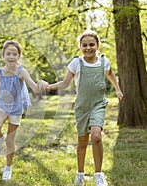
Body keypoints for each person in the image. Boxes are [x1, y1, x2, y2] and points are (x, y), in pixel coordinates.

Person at [39, 30, 123, 186]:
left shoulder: (104, 62)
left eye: (92, 44)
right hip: (82, 107)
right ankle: (80, 173)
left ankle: (99, 174)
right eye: (85, 45)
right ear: (80, 46)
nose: (88, 48)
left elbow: (110, 74)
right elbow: (65, 83)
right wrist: (49, 87)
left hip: (98, 104)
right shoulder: (76, 63)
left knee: (96, 136)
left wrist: (117, 89)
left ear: (98, 45)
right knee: (82, 141)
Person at [0, 40, 41, 181]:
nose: (11, 57)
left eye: (14, 54)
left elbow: (34, 87)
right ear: (3, 55)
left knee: (11, 140)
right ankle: (1, 137)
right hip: (2, 106)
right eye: (8, 54)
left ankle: (8, 167)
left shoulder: (21, 71)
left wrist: (41, 85)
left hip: (16, 108)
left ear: (19, 56)